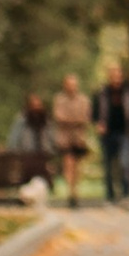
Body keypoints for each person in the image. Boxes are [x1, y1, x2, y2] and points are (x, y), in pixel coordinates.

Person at [92, 60, 129, 201]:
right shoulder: (103, 92)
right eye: (113, 75)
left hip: (124, 132)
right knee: (108, 166)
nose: (116, 77)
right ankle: (110, 196)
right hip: (107, 133)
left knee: (125, 163)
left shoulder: (128, 91)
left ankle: (126, 194)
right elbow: (95, 112)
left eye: (118, 75)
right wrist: (99, 124)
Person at [50, 71, 94, 204]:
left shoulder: (83, 100)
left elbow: (85, 117)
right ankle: (71, 192)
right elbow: (58, 117)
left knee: (77, 166)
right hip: (65, 138)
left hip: (79, 138)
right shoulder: (59, 99)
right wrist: (74, 120)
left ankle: (75, 190)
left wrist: (72, 120)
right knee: (68, 163)